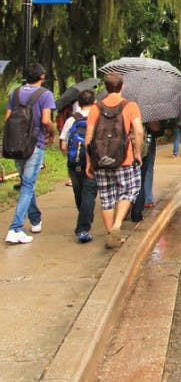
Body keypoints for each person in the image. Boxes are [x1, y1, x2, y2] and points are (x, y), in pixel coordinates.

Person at [85, 72, 144, 249]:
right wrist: (137, 152)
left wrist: (89, 161)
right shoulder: (130, 106)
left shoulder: (96, 108)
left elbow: (88, 137)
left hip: (101, 159)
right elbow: (139, 131)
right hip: (123, 159)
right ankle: (117, 226)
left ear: (105, 87)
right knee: (130, 190)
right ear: (122, 87)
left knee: (106, 198)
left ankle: (111, 233)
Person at [4, 62, 55, 244]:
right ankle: (15, 228)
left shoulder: (15, 93)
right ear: (41, 77)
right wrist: (51, 133)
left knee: (27, 183)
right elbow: (47, 120)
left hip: (15, 144)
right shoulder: (45, 95)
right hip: (34, 144)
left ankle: (35, 220)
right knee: (27, 186)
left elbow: (8, 118)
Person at [59, 89, 98, 243]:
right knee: (89, 193)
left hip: (74, 162)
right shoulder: (98, 118)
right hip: (92, 162)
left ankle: (84, 218)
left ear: (79, 103)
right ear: (94, 102)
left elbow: (63, 144)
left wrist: (70, 155)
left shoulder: (72, 120)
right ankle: (83, 228)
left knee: (79, 193)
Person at [130, 119, 161, 223]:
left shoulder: (125, 106)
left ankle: (125, 207)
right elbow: (155, 128)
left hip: (126, 143)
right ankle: (146, 200)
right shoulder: (148, 109)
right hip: (146, 143)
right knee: (145, 173)